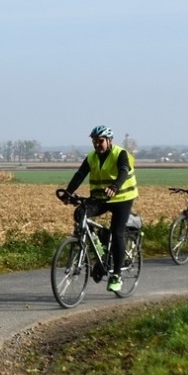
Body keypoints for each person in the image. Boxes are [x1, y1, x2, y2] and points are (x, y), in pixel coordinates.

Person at [61, 125, 138, 293]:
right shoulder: (91, 158)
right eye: (94, 141)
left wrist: (116, 186)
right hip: (102, 198)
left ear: (109, 141)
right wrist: (68, 192)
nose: (97, 144)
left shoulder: (120, 154)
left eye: (100, 141)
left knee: (117, 232)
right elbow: (80, 175)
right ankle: (100, 250)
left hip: (122, 198)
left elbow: (124, 171)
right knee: (80, 212)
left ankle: (116, 274)